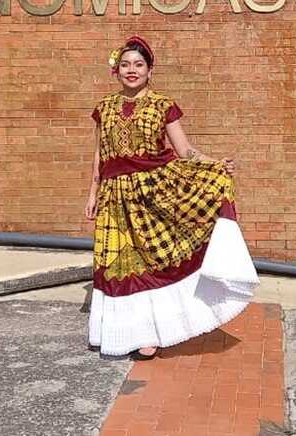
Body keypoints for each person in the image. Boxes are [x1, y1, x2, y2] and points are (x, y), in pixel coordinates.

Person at [84, 34, 259, 360]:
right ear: (116, 70)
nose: (132, 70)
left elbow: (185, 150)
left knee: (152, 262)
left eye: (139, 65)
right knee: (117, 263)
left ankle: (150, 333)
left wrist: (214, 164)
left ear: (150, 70)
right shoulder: (104, 108)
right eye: (125, 65)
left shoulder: (163, 105)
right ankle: (121, 331)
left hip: (154, 194)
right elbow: (99, 154)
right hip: (114, 198)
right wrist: (93, 191)